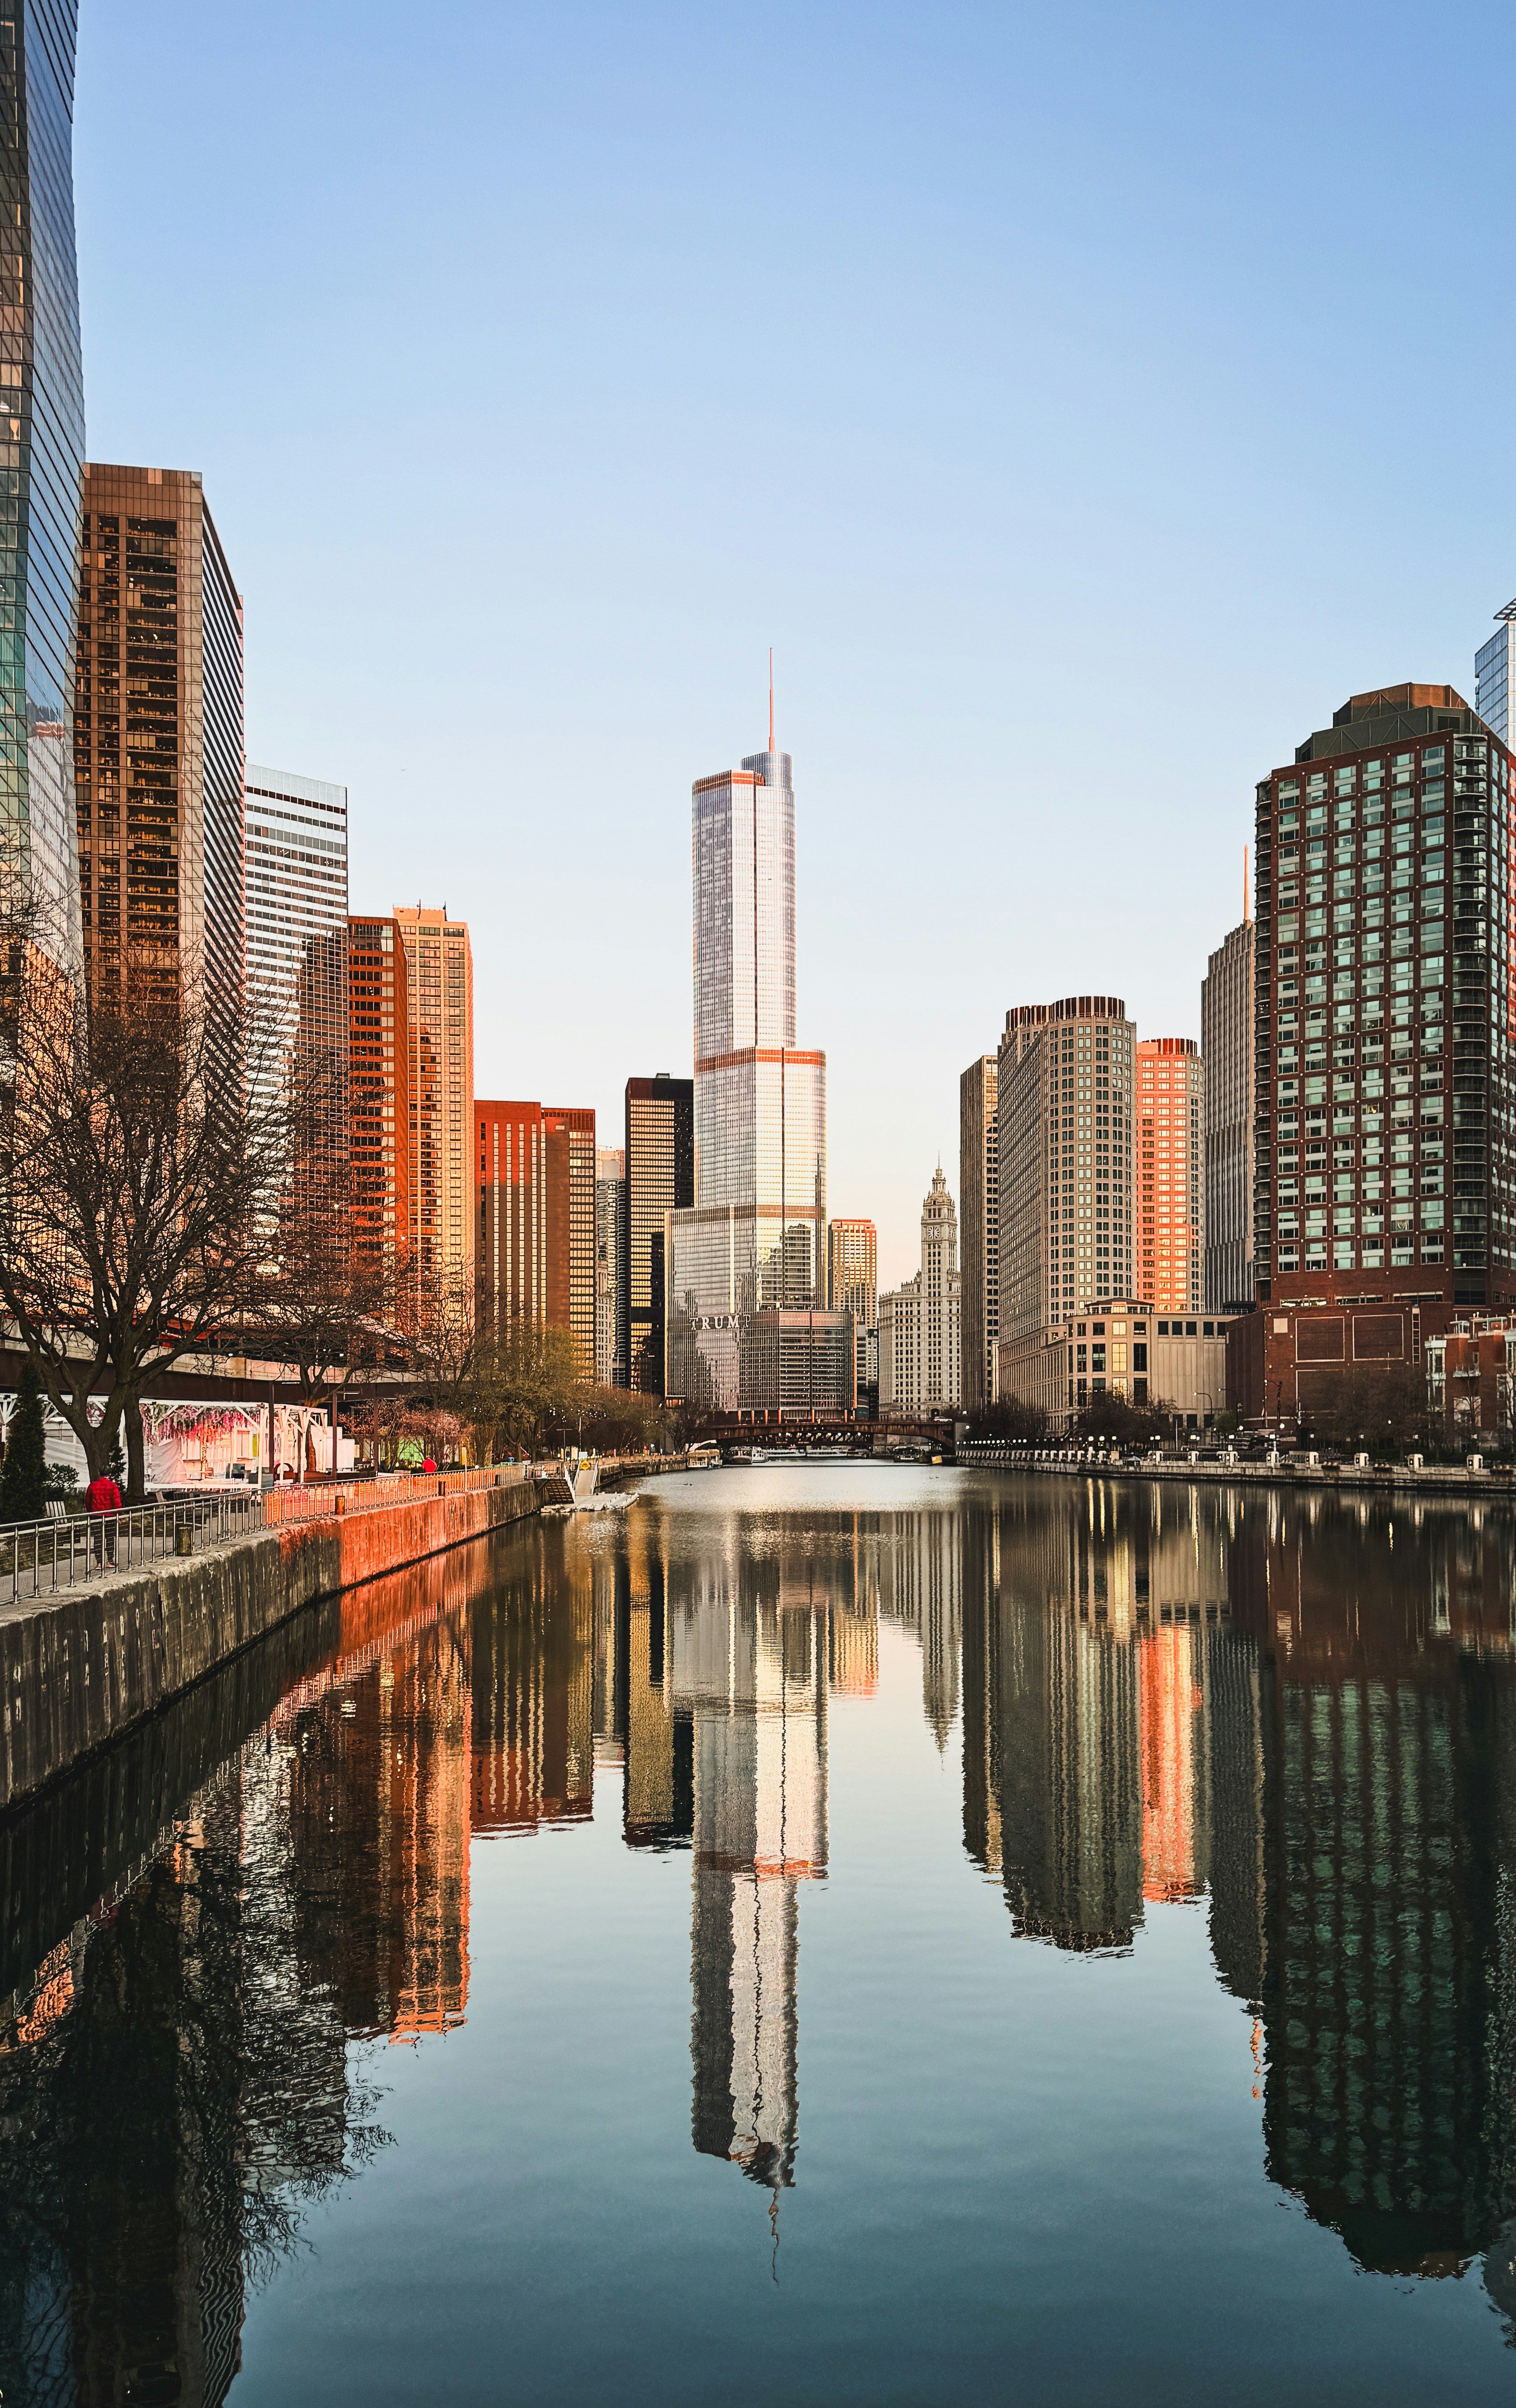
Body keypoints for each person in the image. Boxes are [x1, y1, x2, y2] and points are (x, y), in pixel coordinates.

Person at [87, 1470, 121, 1567]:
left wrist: (90, 1513)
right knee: (110, 1538)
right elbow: (117, 1502)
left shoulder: (93, 1486)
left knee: (98, 1539)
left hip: (96, 1516)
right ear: (109, 1476)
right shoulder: (112, 1486)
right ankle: (110, 1560)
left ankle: (99, 1563)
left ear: (100, 1475)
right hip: (110, 1516)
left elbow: (88, 1502)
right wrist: (118, 1514)